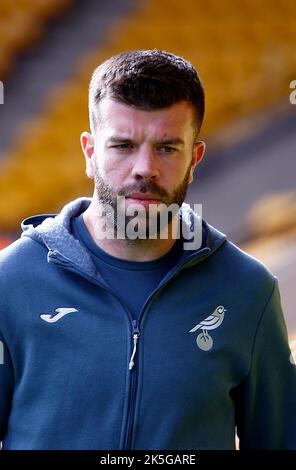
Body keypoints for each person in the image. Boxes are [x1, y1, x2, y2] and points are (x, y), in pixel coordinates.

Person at [0, 49, 295, 450]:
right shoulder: (11, 281)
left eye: (167, 148)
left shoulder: (247, 291)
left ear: (195, 158)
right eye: (123, 145)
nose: (145, 168)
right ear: (90, 153)